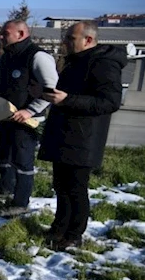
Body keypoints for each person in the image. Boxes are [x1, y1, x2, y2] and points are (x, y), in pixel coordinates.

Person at [38, 20, 126, 250]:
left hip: (83, 138)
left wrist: (67, 100)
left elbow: (110, 101)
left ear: (88, 40)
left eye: (70, 38)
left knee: (76, 188)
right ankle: (59, 227)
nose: (65, 42)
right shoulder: (76, 61)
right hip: (65, 134)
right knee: (61, 185)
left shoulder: (103, 63)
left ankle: (74, 234)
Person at [0, 20, 59, 217]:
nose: (1, 37)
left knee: (22, 161)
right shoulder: (7, 57)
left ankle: (21, 202)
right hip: (6, 115)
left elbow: (52, 90)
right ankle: (4, 189)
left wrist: (30, 111)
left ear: (21, 34)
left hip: (27, 120)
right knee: (3, 155)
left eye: (6, 33)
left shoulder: (38, 56)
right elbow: (9, 85)